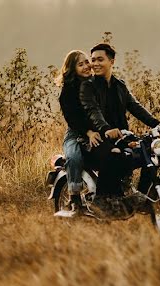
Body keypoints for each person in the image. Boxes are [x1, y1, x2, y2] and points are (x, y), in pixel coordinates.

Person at [80, 42, 160, 198]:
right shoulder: (88, 86)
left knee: (149, 152)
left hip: (120, 136)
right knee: (116, 156)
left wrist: (158, 124)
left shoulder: (119, 86)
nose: (95, 64)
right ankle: (103, 201)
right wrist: (105, 129)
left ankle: (143, 197)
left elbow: (135, 107)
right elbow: (93, 111)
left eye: (100, 60)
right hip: (95, 140)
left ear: (111, 61)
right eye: (93, 60)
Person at [56, 50, 102, 216]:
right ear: (72, 68)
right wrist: (88, 132)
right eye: (80, 64)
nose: (86, 66)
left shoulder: (95, 83)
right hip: (76, 133)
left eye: (86, 62)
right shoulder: (68, 91)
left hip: (97, 131)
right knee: (74, 157)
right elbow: (72, 119)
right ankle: (74, 198)